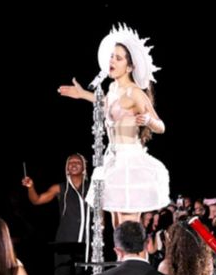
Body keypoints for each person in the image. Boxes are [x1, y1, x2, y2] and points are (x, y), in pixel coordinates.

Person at [58, 23, 170, 224]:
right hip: (113, 160)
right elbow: (106, 103)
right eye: (111, 56)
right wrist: (82, 94)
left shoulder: (135, 92)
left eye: (118, 58)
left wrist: (148, 120)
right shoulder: (112, 88)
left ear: (129, 67)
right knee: (116, 223)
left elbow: (161, 126)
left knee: (129, 222)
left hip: (130, 160)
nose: (112, 61)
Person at [22, 153, 90, 275]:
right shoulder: (60, 188)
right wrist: (31, 187)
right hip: (64, 241)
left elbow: (101, 212)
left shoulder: (93, 188)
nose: (73, 164)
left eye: (77, 162)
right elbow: (37, 200)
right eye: (70, 162)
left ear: (84, 167)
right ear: (66, 168)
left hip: (87, 241)